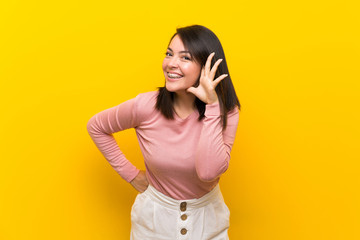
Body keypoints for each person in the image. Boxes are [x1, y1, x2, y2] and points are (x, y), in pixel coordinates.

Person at [87, 24, 241, 240]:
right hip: (154, 222)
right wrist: (130, 175)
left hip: (208, 221)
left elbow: (208, 172)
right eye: (169, 54)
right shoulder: (145, 106)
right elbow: (96, 126)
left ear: (207, 66)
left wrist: (213, 106)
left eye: (185, 58)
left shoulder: (226, 112)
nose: (171, 64)